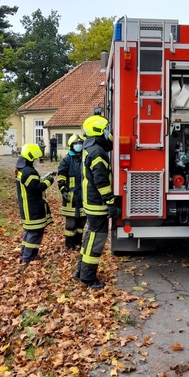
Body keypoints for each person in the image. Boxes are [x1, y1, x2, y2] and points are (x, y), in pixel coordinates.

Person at [75, 115, 116, 290]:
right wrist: (111, 201)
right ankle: (87, 277)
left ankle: (81, 271)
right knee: (96, 239)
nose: (108, 133)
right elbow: (101, 181)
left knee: (89, 237)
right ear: (99, 131)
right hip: (97, 205)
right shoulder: (98, 152)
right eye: (106, 129)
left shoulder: (90, 148)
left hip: (91, 203)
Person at [15, 143, 55, 266]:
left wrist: (44, 177)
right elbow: (37, 187)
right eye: (35, 158)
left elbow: (33, 183)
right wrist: (49, 181)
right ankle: (28, 259)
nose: (36, 161)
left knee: (29, 232)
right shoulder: (28, 172)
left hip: (28, 207)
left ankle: (24, 254)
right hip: (33, 208)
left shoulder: (22, 170)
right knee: (35, 233)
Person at [57, 134, 87, 251]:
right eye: (76, 144)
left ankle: (78, 243)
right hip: (71, 197)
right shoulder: (67, 160)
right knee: (71, 224)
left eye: (80, 143)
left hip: (83, 197)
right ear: (71, 146)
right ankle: (69, 245)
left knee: (81, 223)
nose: (78, 145)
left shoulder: (85, 158)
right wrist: (63, 190)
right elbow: (61, 176)